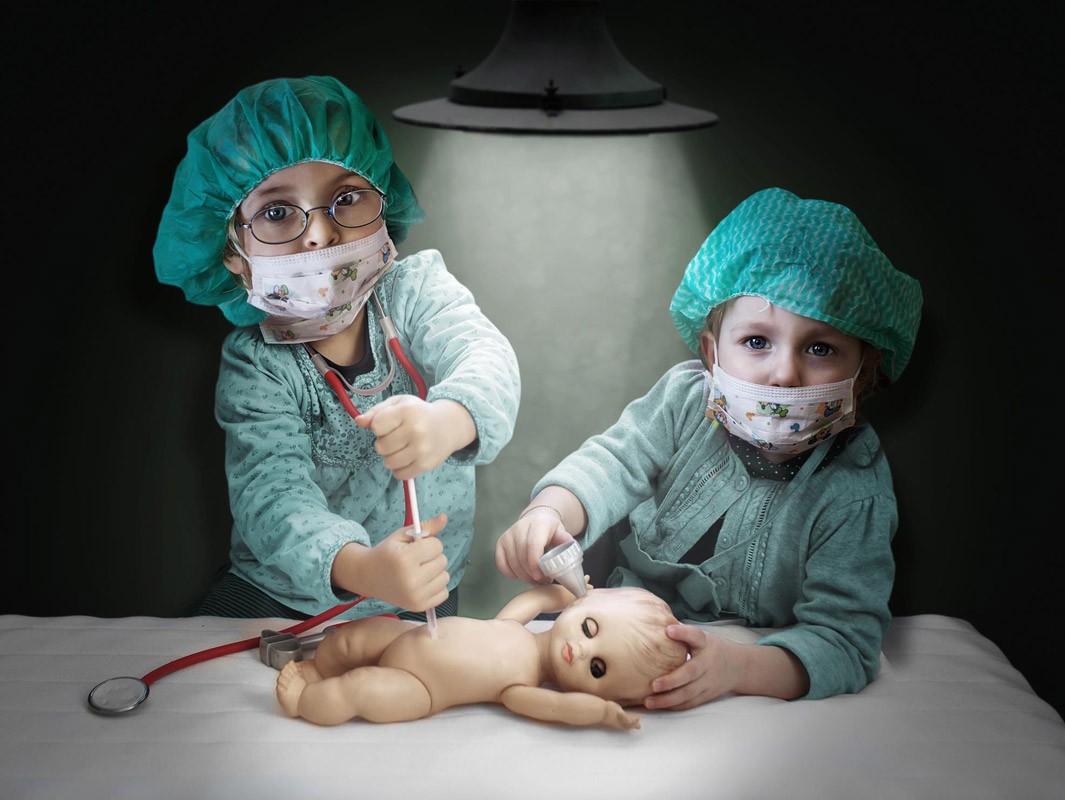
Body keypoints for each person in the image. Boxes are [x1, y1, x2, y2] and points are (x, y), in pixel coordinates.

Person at [495, 187, 922, 710]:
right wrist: (550, 511)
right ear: (711, 353)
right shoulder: (684, 401)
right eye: (757, 342)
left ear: (863, 372)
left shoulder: (854, 485)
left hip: (745, 662)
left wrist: (737, 667)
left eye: (820, 348)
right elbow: (614, 462)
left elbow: (845, 641)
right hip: (604, 628)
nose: (784, 374)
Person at [153, 76, 520, 622]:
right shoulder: (256, 365)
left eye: (345, 199)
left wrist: (449, 420)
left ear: (383, 202)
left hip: (420, 594)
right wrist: (364, 569)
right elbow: (271, 499)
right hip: (279, 597)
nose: (320, 234)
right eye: (277, 213)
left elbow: (485, 357)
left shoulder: (417, 292)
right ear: (231, 251)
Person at [275, 584, 688, 730]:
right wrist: (562, 591)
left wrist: (602, 714)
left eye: (598, 669)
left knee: (361, 688)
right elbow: (533, 600)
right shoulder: (513, 627)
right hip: (411, 636)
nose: (582, 650)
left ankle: (305, 702)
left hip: (420, 689)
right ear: (582, 604)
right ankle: (316, 667)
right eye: (590, 628)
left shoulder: (518, 687)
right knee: (351, 640)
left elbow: (558, 707)